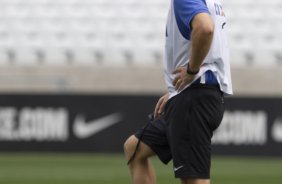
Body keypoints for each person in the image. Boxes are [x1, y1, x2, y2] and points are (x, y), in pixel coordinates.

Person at [124, 0, 233, 183]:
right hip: (194, 93)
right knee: (135, 149)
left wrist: (191, 72)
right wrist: (178, 89)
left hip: (194, 97)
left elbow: (205, 28)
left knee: (194, 179)